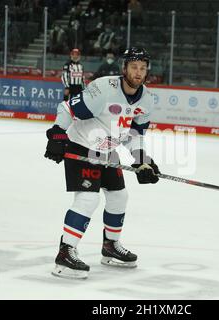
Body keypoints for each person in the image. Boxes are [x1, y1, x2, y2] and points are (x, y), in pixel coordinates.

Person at [44, 47, 159, 279]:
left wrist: (141, 161)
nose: (138, 72)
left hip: (107, 150)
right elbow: (67, 108)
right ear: (124, 68)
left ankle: (110, 247)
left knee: (119, 196)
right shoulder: (105, 88)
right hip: (81, 146)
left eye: (143, 68)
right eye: (134, 67)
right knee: (88, 198)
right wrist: (57, 134)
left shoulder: (146, 98)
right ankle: (65, 252)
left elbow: (134, 134)